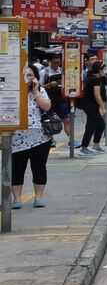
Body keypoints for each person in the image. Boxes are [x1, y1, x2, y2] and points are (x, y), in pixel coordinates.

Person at [11, 66, 52, 208]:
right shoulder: (12, 92)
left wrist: (35, 92)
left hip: (39, 137)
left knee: (39, 168)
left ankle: (38, 197)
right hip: (16, 137)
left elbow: (47, 106)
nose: (27, 77)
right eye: (24, 74)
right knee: (16, 169)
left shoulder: (39, 91)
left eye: (30, 75)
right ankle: (17, 198)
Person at [78, 58, 107, 155]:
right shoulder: (96, 80)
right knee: (91, 126)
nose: (104, 71)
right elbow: (97, 95)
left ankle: (96, 145)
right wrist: (103, 107)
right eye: (103, 69)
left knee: (101, 125)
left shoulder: (92, 77)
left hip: (90, 105)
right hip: (90, 105)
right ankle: (84, 148)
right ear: (99, 70)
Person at [42, 53, 72, 144]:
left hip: (62, 99)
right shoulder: (44, 72)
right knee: (50, 121)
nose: (56, 65)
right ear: (50, 62)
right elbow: (39, 87)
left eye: (58, 63)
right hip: (49, 99)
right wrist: (49, 85)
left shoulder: (63, 71)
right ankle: (51, 140)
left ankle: (71, 139)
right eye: (54, 63)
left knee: (66, 120)